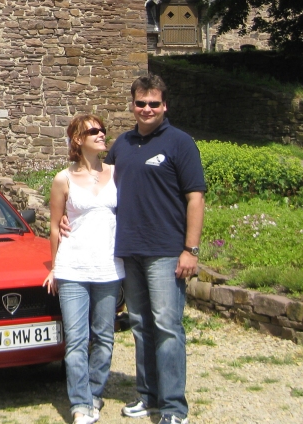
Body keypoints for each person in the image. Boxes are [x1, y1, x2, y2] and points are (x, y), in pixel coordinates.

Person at [104, 74, 206, 424]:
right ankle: (147, 397)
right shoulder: (122, 144)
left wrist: (190, 249)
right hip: (130, 249)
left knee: (166, 326)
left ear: (165, 106)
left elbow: (195, 198)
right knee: (140, 325)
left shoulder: (180, 143)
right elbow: (99, 188)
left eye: (154, 104)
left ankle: (174, 406)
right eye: (141, 103)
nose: (147, 109)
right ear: (132, 105)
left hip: (165, 251)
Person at [44, 114, 124, 424]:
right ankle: (80, 404)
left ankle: (94, 394)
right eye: (94, 131)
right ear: (78, 139)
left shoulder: (117, 174)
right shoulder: (63, 179)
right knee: (77, 339)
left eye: (104, 130)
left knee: (104, 337)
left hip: (109, 268)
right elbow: (54, 227)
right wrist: (54, 267)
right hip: (73, 267)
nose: (102, 134)